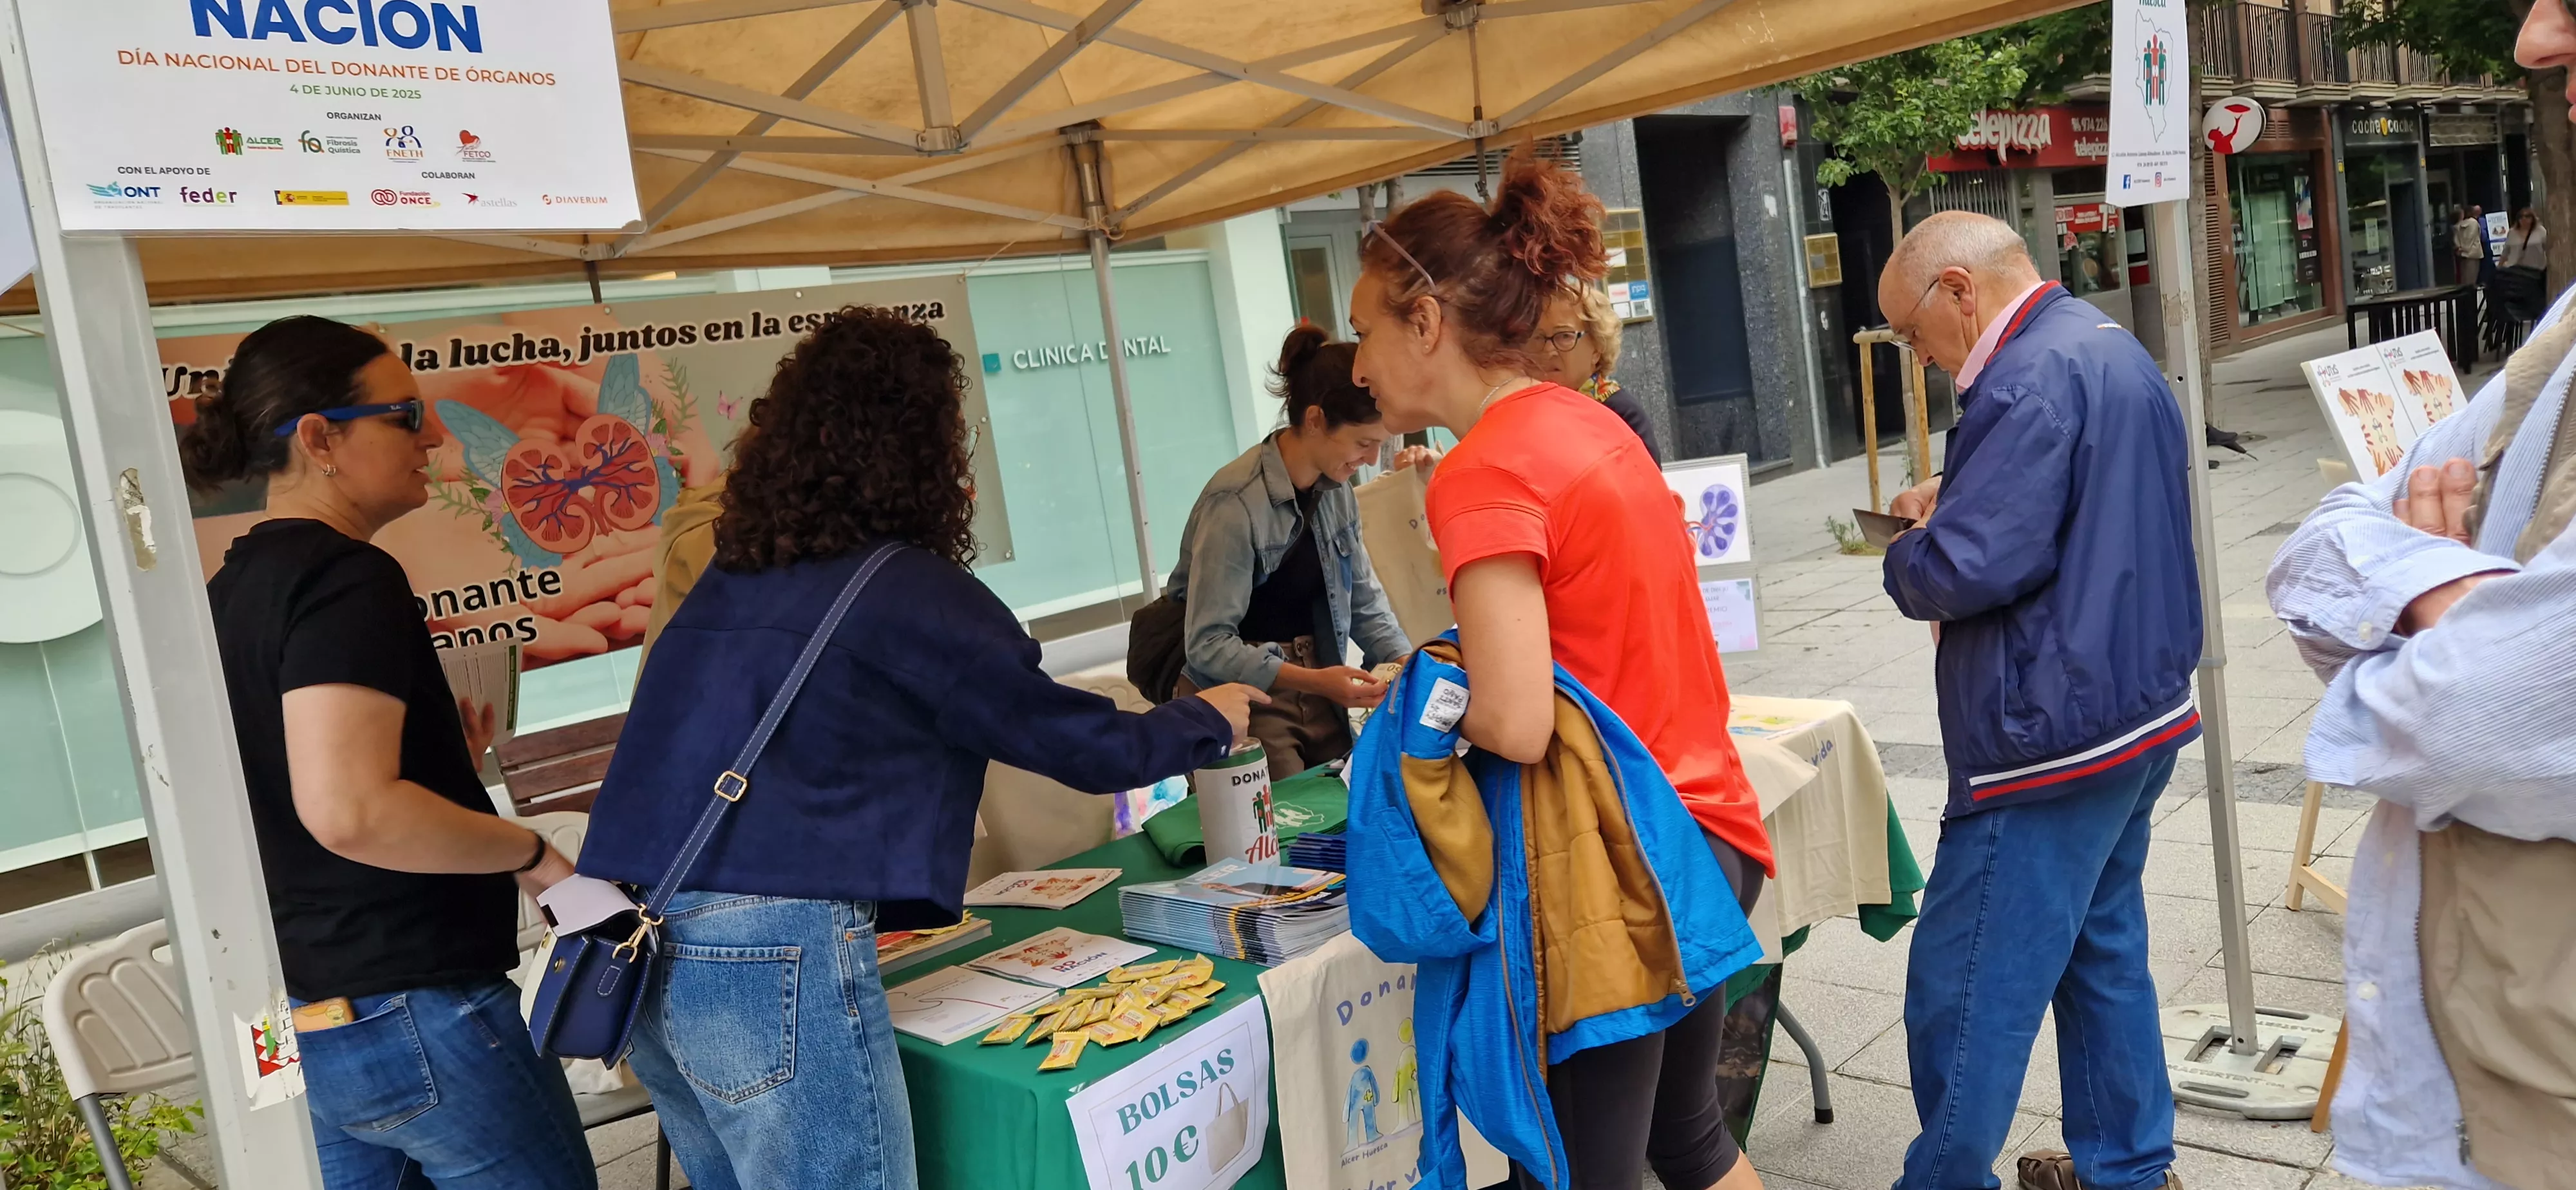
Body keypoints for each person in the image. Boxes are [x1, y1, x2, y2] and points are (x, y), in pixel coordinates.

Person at [576, 308, 1264, 1190]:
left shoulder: (735, 573)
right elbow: (1083, 745)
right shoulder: (911, 592)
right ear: (924, 452)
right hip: (765, 946)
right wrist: (1206, 717)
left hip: (633, 937)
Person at [1349, 151, 1771, 1190]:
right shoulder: (1582, 419)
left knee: (1580, 1173)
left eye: (1364, 330)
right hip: (1705, 826)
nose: (1356, 366)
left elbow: (1517, 720)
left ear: (1425, 321)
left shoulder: (1481, 470)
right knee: (1690, 1141)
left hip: (1612, 864)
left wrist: (1425, 696)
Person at [2263, 9, 2576, 1186]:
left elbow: (2462, 718)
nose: (2535, 43)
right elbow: (2318, 544)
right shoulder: (2567, 328)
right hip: (2470, 1080)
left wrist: (2405, 595)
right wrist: (2454, 593)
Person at [181, 316, 596, 1190]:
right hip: (415, 1003)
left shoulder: (232, 589)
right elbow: (351, 811)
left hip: (310, 1015)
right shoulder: (346, 578)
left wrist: (440, 765)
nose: (434, 435)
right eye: (405, 415)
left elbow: (287, 782)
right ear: (320, 440)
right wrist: (534, 856)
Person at [1873, 211, 2201, 1190]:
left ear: (1959, 292)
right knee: (2101, 955)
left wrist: (1909, 550)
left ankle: (1943, 1179)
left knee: (1963, 986)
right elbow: (2074, 497)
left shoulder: (2023, 379)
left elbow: (1965, 568)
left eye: (1911, 331)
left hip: (2048, 735)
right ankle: (2129, 1167)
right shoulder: (2103, 344)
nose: (1917, 354)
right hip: (2132, 706)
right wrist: (1961, 489)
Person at [1160, 325, 1414, 779]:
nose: (1372, 459)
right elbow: (1207, 645)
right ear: (1315, 420)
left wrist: (1406, 662)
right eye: (1363, 443)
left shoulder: (1336, 490)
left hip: (1322, 682)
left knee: (1345, 805)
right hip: (1243, 699)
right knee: (1283, 820)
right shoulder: (1234, 502)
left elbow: (1364, 602)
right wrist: (1314, 680)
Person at [1526, 282, 1660, 461]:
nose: (1548, 350)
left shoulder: (1620, 414)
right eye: (1538, 337)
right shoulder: (1526, 412)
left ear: (1597, 348)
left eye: (1565, 336)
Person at [2501, 206, 2549, 273]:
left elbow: (2549, 250)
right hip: (2515, 270)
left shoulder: (2541, 231)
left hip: (2536, 271)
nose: (2524, 219)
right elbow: (2506, 252)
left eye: (2527, 216)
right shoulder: (2512, 232)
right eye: (2521, 217)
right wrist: (2499, 268)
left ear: (2533, 218)